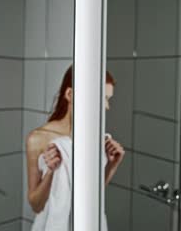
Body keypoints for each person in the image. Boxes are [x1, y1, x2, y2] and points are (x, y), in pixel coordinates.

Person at [26, 66, 125, 225]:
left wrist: (112, 165)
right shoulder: (38, 139)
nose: (107, 107)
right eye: (102, 98)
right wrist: (50, 172)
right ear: (70, 94)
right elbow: (36, 206)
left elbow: (90, 196)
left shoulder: (92, 136)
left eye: (108, 99)